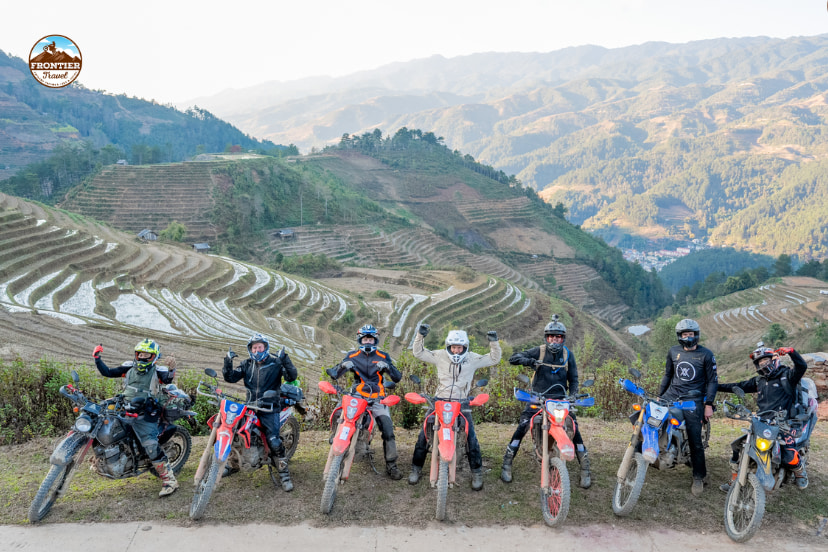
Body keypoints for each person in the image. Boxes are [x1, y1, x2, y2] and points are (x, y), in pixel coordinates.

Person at [501, 315, 592, 488]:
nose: (554, 340)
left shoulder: (568, 355)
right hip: (537, 397)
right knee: (523, 424)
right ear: (546, 337)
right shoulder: (540, 351)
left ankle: (585, 466)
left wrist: (572, 395)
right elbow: (513, 358)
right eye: (551, 336)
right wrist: (530, 361)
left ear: (563, 338)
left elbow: (573, 379)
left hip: (560, 400)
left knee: (573, 426)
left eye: (558, 336)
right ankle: (507, 461)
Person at [408, 324, 501, 491]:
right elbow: (419, 353)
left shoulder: (472, 358)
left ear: (465, 347)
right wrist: (420, 336)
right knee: (424, 434)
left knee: (470, 437)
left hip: (462, 401)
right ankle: (416, 467)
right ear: (448, 346)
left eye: (459, 347)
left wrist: (493, 342)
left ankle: (477, 472)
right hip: (440, 400)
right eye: (453, 347)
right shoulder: (440, 355)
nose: (456, 351)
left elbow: (493, 359)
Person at [93, 339, 179, 497]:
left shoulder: (157, 371)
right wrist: (97, 359)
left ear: (154, 357)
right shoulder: (128, 367)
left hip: (147, 413)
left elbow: (167, 379)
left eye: (147, 354)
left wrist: (172, 368)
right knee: (103, 426)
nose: (143, 357)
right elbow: (108, 372)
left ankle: (169, 480)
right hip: (125, 407)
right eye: (140, 354)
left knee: (150, 445)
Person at [718, 344, 810, 491]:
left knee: (789, 456)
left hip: (784, 423)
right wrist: (715, 386)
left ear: (774, 360)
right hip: (761, 422)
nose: (762, 364)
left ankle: (800, 472)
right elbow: (738, 385)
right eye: (759, 362)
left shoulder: (787, 376)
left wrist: (792, 352)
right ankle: (735, 480)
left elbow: (801, 367)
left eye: (765, 360)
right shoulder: (759, 381)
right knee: (738, 447)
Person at [327, 324, 404, 479]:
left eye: (371, 339)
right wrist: (343, 365)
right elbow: (334, 374)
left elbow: (397, 377)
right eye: (365, 339)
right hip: (357, 395)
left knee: (388, 430)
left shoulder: (383, 356)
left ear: (375, 340)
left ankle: (392, 465)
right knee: (339, 412)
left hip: (377, 397)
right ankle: (336, 436)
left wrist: (387, 367)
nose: (368, 341)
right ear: (360, 340)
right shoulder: (352, 355)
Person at [223, 333, 297, 491]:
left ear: (265, 347)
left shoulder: (275, 363)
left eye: (260, 347)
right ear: (250, 349)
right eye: (254, 347)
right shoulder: (246, 364)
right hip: (250, 406)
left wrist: (285, 359)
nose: (257, 350)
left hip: (269, 407)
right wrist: (228, 361)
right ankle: (232, 463)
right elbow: (230, 377)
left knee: (274, 441)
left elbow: (291, 376)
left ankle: (284, 473)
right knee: (233, 431)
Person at [657, 318, 718, 496]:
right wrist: (660, 395)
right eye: (685, 334)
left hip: (693, 400)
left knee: (695, 439)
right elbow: (668, 374)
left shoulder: (706, 354)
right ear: (679, 336)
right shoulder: (673, 351)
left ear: (696, 335)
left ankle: (699, 476)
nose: (688, 337)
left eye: (691, 334)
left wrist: (709, 404)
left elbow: (713, 381)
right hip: (671, 395)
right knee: (650, 419)